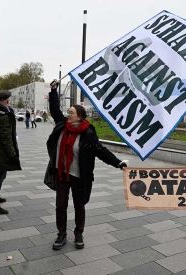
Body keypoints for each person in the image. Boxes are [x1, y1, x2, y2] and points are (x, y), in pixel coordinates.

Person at [47, 80, 127, 250]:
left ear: (80, 116)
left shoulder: (88, 134)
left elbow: (101, 151)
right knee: (61, 205)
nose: (68, 114)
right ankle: (61, 234)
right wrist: (54, 90)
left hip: (79, 176)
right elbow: (54, 109)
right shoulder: (62, 126)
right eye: (68, 111)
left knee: (79, 204)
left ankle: (78, 233)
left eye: (72, 112)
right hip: (61, 173)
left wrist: (118, 163)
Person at [0, 90, 21, 214]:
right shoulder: (3, 115)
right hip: (1, 150)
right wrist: (12, 155)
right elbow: (6, 137)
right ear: (7, 100)